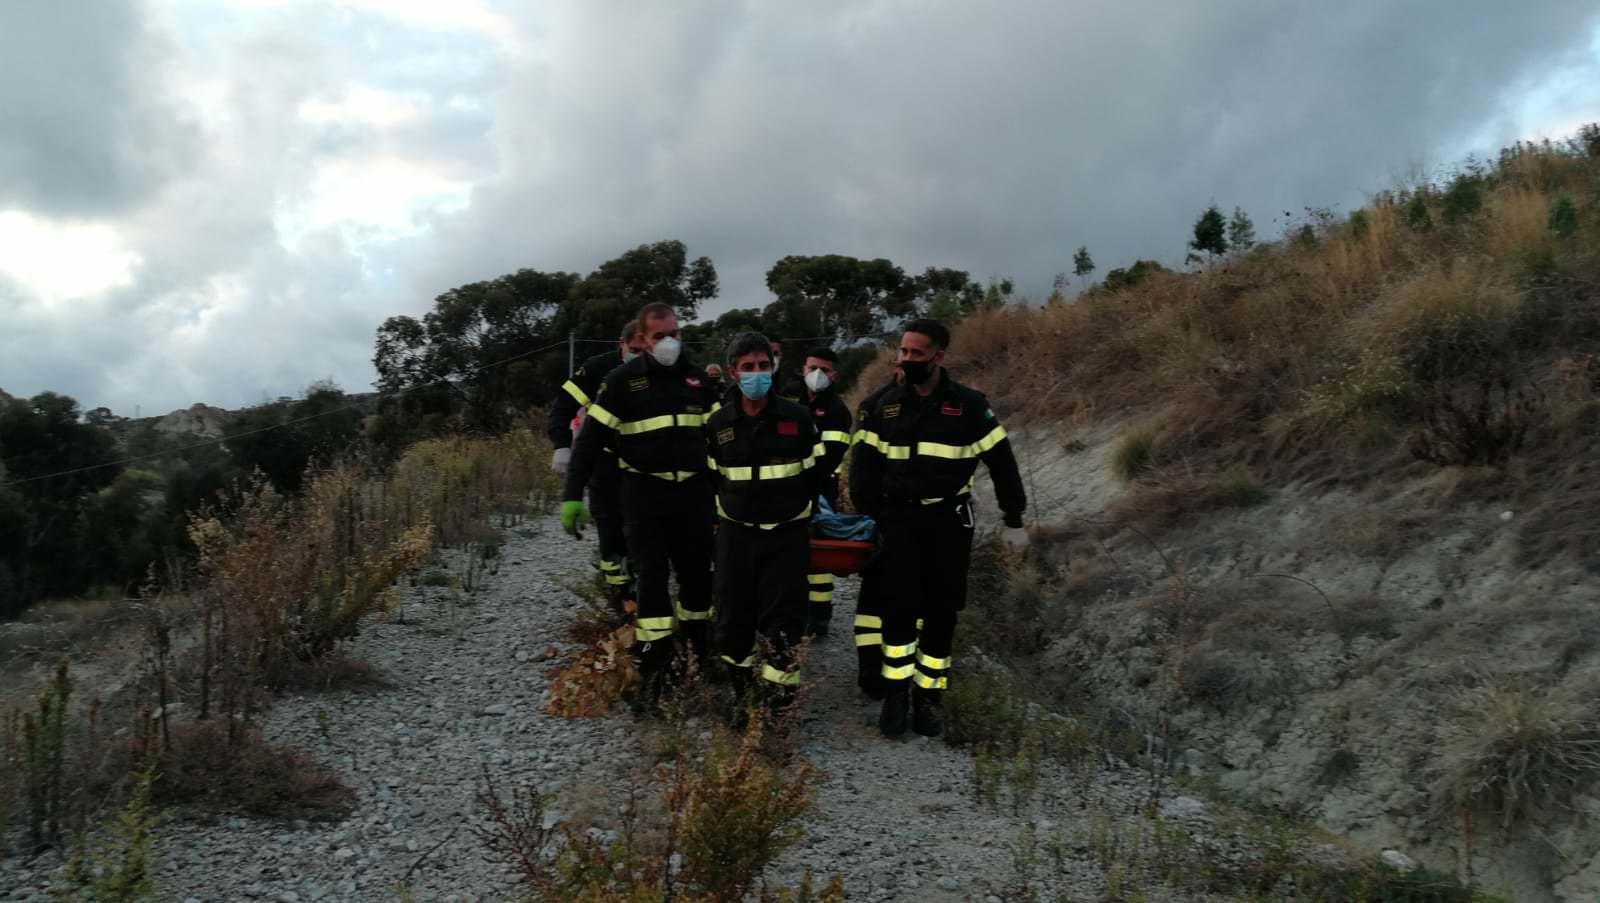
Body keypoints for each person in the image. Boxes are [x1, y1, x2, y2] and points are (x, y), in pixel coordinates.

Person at [849, 319, 1028, 738]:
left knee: (942, 613)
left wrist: (1013, 519)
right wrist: (873, 517)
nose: (907, 360)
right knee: (898, 610)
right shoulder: (883, 406)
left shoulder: (969, 407)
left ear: (938, 357)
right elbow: (862, 472)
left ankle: (929, 699)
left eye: (916, 353)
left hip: (948, 522)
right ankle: (896, 696)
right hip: (898, 521)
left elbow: (1003, 464)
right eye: (903, 352)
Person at [560, 303, 721, 705]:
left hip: (693, 494)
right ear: (643, 340)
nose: (668, 343)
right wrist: (571, 495)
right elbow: (590, 442)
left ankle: (698, 656)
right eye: (659, 336)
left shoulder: (698, 380)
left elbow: (724, 439)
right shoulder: (621, 381)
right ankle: (654, 670)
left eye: (674, 334)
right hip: (645, 496)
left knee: (698, 580)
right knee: (651, 584)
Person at [704, 333, 826, 714]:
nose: (757, 374)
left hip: (786, 538)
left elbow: (817, 475)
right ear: (733, 373)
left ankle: (778, 711)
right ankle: (743, 697)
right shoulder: (717, 424)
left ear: (772, 368)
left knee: (786, 626)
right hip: (736, 537)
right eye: (748, 367)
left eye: (762, 366)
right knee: (731, 624)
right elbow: (710, 481)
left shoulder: (798, 418)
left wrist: (802, 515)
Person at [549, 323, 649, 606]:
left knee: (643, 526)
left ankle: (642, 583)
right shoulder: (597, 370)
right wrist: (561, 445)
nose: (640, 357)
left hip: (646, 463)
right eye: (634, 351)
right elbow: (562, 407)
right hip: (605, 459)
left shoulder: (660, 371)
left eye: (646, 351)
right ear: (621, 344)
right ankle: (618, 593)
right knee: (610, 525)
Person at [792, 347, 854, 638]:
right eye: (812, 368)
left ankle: (820, 615)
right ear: (803, 369)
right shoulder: (791, 400)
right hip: (789, 485)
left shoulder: (837, 411)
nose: (817, 375)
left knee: (818, 552)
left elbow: (829, 456)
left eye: (824, 370)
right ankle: (797, 608)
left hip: (821, 487)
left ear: (835, 375)